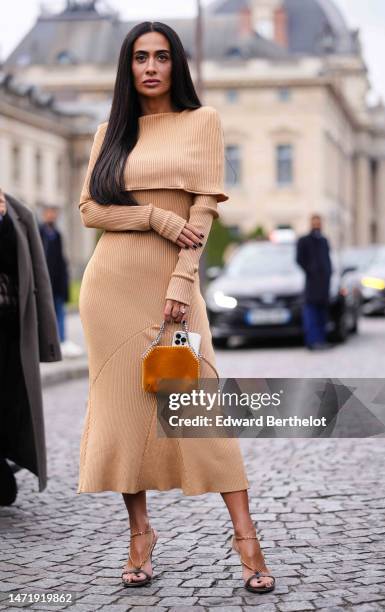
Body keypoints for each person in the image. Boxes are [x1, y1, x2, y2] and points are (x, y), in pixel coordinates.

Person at [76, 21, 275, 594]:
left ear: (176, 64)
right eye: (140, 57)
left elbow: (204, 208)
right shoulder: (109, 133)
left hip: (173, 291)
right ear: (128, 66)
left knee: (198, 410)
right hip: (109, 290)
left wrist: (182, 285)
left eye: (162, 56)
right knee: (122, 414)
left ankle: (247, 540)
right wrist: (153, 217)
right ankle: (140, 534)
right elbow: (91, 210)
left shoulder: (202, 122)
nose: (151, 67)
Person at [0, 189, 62, 504]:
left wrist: (1, 222)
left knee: (8, 403)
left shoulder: (15, 212)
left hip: (7, 328)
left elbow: (35, 274)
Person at [39, 204, 83, 359]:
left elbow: (60, 261)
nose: (52, 216)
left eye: (54, 213)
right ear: (44, 214)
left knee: (60, 312)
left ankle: (62, 341)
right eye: (49, 213)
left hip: (57, 284)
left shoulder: (57, 235)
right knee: (44, 315)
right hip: (44, 284)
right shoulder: (40, 233)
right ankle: (47, 343)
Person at [296, 214, 333, 350]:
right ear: (311, 223)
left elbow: (327, 260)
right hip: (312, 284)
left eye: (319, 223)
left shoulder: (323, 240)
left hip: (324, 284)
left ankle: (322, 340)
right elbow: (299, 259)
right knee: (311, 315)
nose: (317, 225)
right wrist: (311, 270)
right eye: (315, 223)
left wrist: (329, 273)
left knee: (322, 315)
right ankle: (312, 341)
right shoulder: (304, 241)